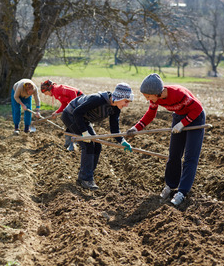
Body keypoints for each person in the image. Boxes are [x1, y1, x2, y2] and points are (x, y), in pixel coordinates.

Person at [127, 73, 205, 206]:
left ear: (157, 92)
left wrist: (183, 124)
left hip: (195, 118)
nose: (147, 99)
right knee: (174, 155)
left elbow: (197, 108)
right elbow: (151, 114)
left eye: (148, 96)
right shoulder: (155, 99)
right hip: (179, 117)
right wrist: (136, 128)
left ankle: (182, 192)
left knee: (190, 158)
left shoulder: (179, 94)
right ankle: (170, 186)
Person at [61, 83, 134, 190]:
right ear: (119, 97)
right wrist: (84, 132)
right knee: (88, 145)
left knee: (97, 145)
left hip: (83, 119)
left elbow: (114, 129)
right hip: (70, 115)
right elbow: (77, 113)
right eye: (126, 101)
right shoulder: (97, 99)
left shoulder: (116, 109)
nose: (126, 105)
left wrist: (122, 141)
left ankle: (89, 173)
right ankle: (85, 179)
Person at [41, 80, 84, 151]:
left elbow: (73, 92)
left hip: (80, 100)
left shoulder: (57, 89)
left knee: (72, 121)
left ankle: (75, 142)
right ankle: (68, 143)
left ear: (48, 89)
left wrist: (74, 106)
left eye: (44, 92)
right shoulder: (55, 93)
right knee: (67, 120)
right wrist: (56, 112)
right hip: (75, 103)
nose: (45, 94)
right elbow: (64, 104)